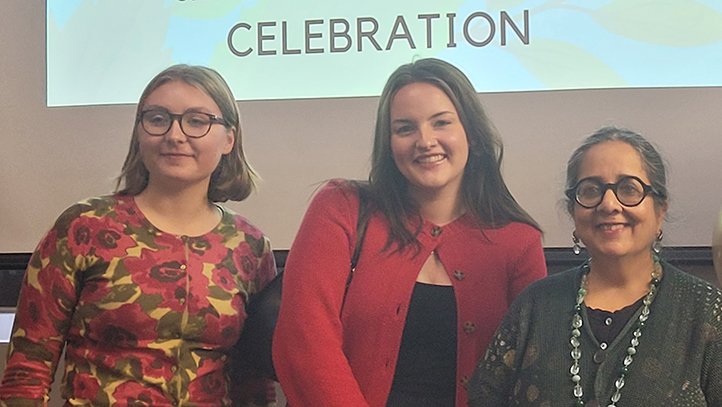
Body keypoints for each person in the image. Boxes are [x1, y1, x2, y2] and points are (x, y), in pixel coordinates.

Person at [272, 58, 547, 407]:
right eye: (405, 128)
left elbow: (532, 374)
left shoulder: (518, 242)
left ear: (473, 136)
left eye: (442, 123)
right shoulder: (340, 207)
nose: (425, 141)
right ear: (389, 145)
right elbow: (304, 340)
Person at [0, 64, 277, 406]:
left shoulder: (250, 247)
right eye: (158, 119)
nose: (175, 135)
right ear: (139, 133)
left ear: (229, 139)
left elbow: (255, 385)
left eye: (197, 121)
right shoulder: (84, 227)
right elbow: (27, 370)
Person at [468, 126, 722, 406]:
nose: (609, 204)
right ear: (573, 211)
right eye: (591, 190)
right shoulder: (534, 306)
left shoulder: (705, 310)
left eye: (629, 189)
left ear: (660, 210)